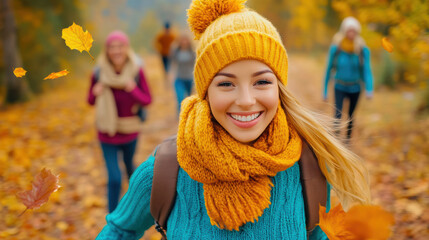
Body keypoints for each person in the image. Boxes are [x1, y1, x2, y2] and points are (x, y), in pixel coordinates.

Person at [96, 1, 370, 239]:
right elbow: (120, 230)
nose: (246, 100)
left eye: (262, 81)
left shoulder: (307, 167)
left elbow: (318, 234)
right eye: (226, 84)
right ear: (205, 92)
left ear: (279, 88)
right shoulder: (165, 170)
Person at [87, 30, 152, 213]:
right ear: (106, 50)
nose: (116, 51)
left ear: (126, 48)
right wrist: (95, 92)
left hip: (130, 131)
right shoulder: (99, 73)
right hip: (106, 132)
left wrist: (133, 89)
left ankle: (137, 210)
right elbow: (90, 101)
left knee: (131, 169)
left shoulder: (136, 71)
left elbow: (147, 100)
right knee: (115, 177)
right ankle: (113, 219)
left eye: (120, 47)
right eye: (112, 47)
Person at [323, 16, 374, 141]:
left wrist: (369, 88)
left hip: (355, 88)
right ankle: (336, 141)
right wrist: (324, 91)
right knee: (338, 115)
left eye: (354, 31)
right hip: (339, 86)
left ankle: (347, 140)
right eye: (349, 30)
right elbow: (328, 69)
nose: (351, 33)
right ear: (344, 31)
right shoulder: (336, 48)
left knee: (351, 116)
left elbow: (367, 70)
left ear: (357, 32)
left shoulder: (362, 49)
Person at [169, 34, 196, 115]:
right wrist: (170, 76)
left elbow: (195, 65)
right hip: (179, 78)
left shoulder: (192, 52)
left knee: (189, 98)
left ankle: (188, 115)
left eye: (185, 40)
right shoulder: (176, 52)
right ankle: (180, 115)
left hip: (189, 79)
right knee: (180, 98)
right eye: (182, 40)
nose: (184, 42)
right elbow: (172, 63)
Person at [155, 22, 176, 87]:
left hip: (170, 54)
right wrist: (159, 50)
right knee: (165, 68)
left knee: (169, 68)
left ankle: (169, 81)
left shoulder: (172, 36)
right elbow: (156, 43)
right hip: (163, 54)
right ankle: (167, 81)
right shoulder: (161, 36)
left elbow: (176, 43)